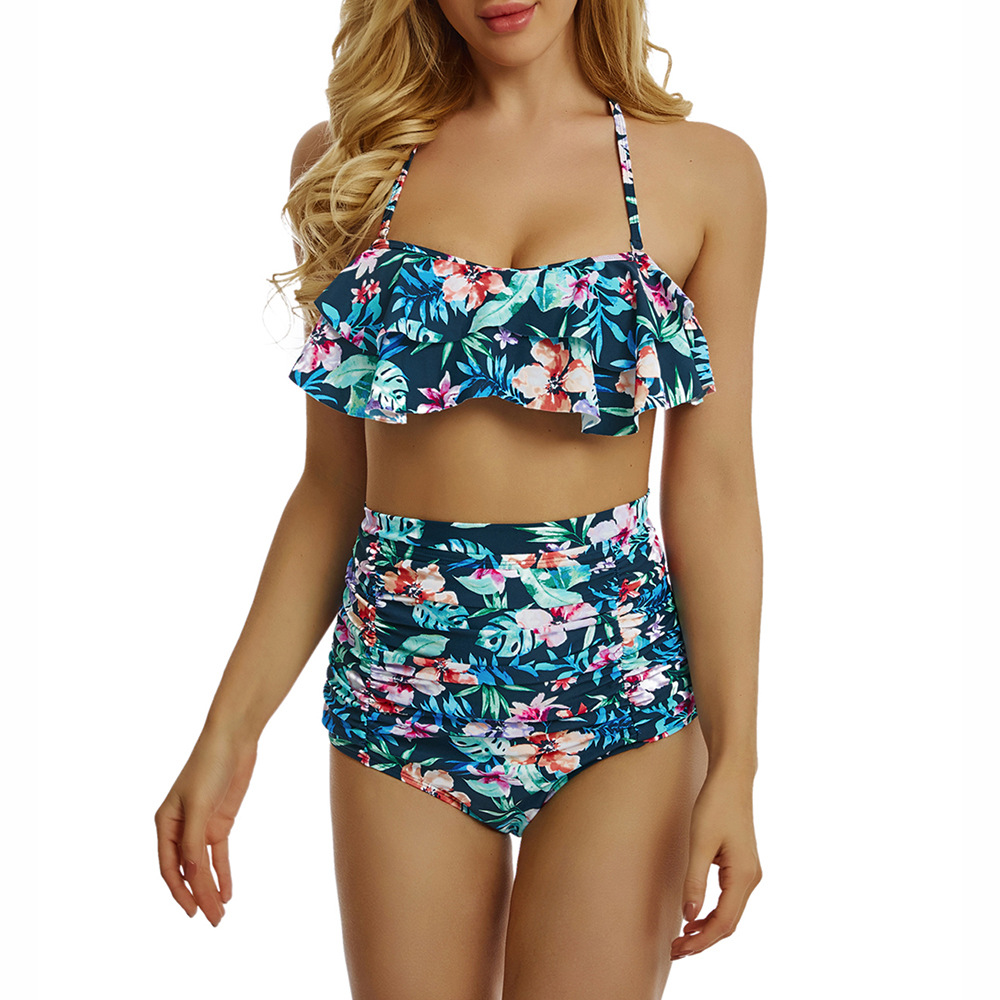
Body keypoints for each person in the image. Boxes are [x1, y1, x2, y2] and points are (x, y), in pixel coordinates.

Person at [154, 1, 766, 996]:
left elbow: (716, 485)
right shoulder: (352, 162)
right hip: (400, 691)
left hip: (619, 694)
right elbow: (331, 488)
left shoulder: (706, 172)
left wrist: (738, 759)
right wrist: (229, 729)